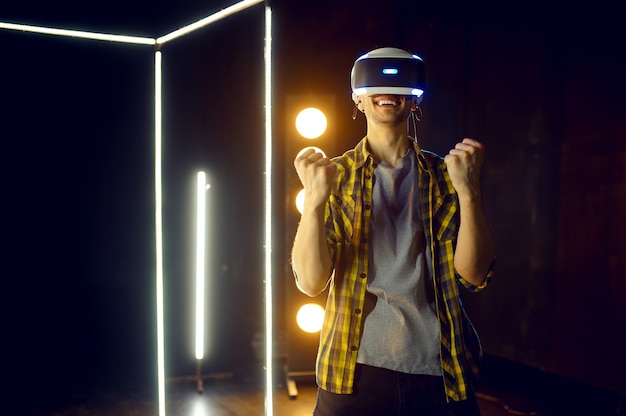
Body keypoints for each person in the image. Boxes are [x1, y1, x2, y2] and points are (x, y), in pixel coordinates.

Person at [290, 47, 496, 416]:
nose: (388, 90)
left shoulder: (446, 176)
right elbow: (310, 281)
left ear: (415, 100)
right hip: (352, 373)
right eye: (375, 82)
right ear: (358, 98)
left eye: (401, 82)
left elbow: (473, 275)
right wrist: (315, 203)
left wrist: (469, 192)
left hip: (440, 372)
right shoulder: (333, 177)